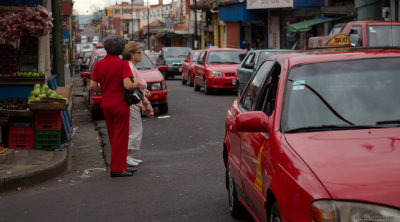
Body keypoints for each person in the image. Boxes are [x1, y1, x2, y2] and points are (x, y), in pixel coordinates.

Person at [89, 35, 140, 177]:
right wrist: (137, 83)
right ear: (120, 48)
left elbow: (92, 86)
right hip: (120, 104)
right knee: (121, 137)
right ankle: (117, 169)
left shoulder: (99, 64)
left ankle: (122, 165)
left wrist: (105, 89)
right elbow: (128, 85)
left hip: (106, 104)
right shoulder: (123, 64)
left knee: (113, 136)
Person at [122, 41, 154, 167]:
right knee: (135, 130)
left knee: (135, 129)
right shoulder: (129, 66)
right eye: (139, 52)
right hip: (133, 103)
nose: (141, 54)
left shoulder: (132, 66)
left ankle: (128, 155)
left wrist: (144, 92)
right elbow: (130, 86)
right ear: (131, 55)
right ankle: (126, 156)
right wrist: (142, 96)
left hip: (137, 101)